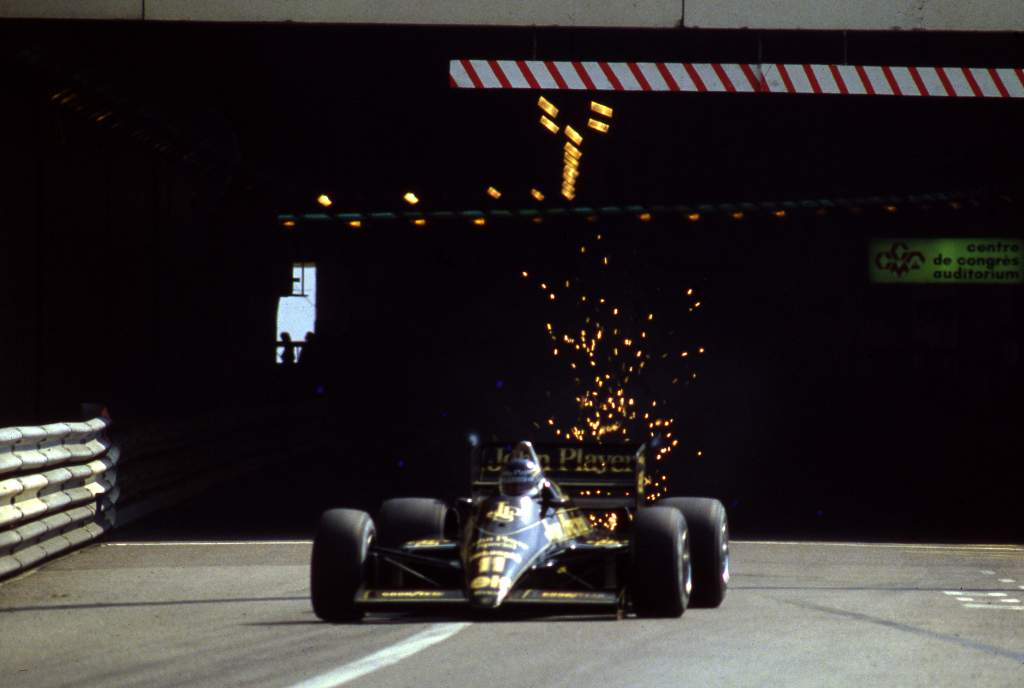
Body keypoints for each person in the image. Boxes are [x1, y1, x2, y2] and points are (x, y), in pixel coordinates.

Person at [498, 441, 567, 509]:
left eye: (522, 486)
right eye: (512, 486)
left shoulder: (547, 491)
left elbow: (560, 503)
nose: (517, 489)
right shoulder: (497, 497)